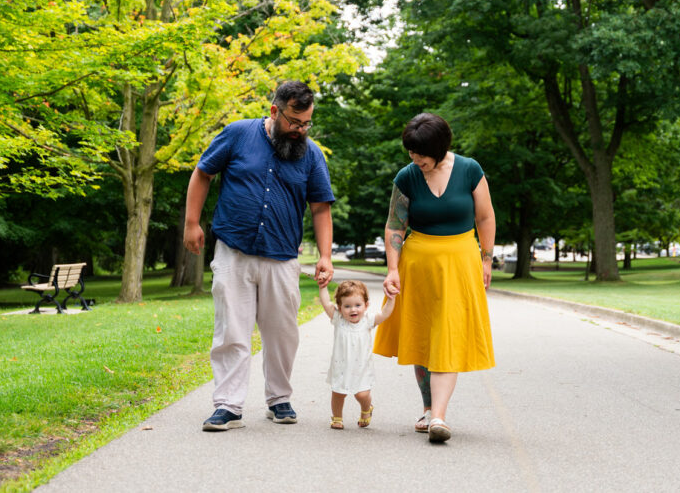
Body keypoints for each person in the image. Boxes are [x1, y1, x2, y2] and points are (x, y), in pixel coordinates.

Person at [184, 80, 335, 432]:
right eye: (294, 122)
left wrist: (325, 255)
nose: (300, 130)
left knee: (282, 333)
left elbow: (320, 207)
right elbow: (203, 172)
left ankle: (279, 398)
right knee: (231, 331)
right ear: (274, 111)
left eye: (306, 123)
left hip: (282, 257)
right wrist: (192, 223)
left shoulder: (311, 154)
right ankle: (228, 405)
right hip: (233, 251)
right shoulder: (237, 134)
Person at [373, 112, 496, 443]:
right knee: (423, 339)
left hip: (459, 263)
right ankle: (429, 409)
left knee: (449, 335)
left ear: (441, 147)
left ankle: (440, 416)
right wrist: (393, 269)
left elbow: (485, 217)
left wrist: (486, 259)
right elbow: (395, 225)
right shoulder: (407, 176)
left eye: (422, 153)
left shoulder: (470, 170)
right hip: (418, 266)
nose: (416, 159)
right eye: (411, 152)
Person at [317, 279, 394, 429]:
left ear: (366, 305)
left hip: (362, 368)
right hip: (341, 367)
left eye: (358, 305)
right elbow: (326, 303)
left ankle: (366, 409)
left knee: (362, 395)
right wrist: (323, 287)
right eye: (347, 306)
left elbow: (385, 313)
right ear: (339, 307)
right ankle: (337, 417)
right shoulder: (338, 319)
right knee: (338, 393)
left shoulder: (367, 321)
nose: (353, 310)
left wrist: (392, 297)